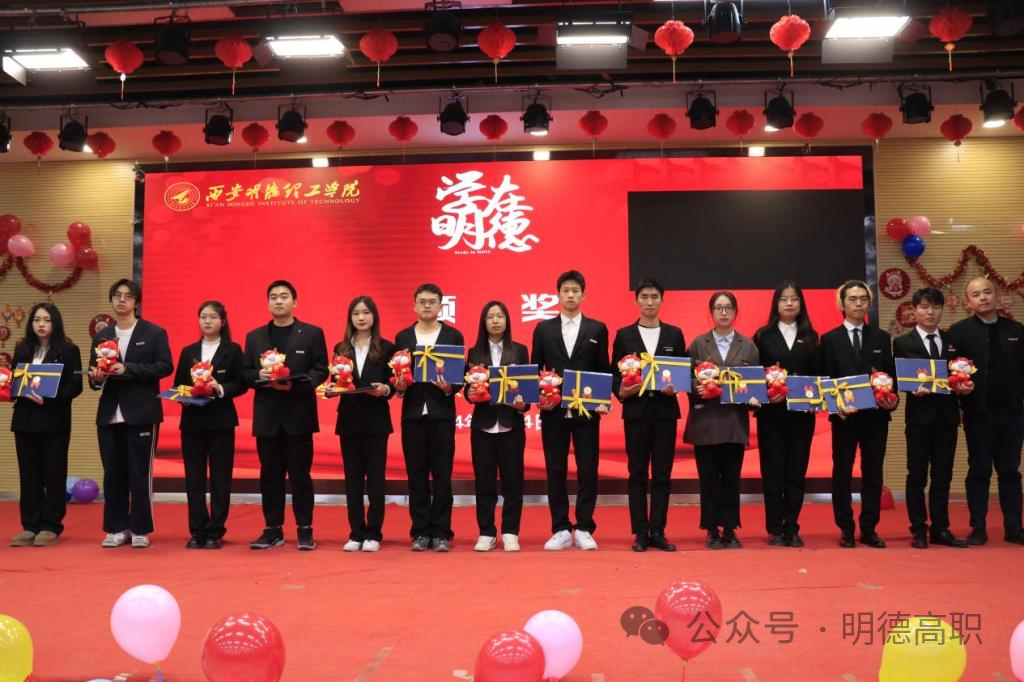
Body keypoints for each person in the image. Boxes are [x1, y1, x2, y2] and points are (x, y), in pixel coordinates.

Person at [242, 280, 329, 551]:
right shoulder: (254, 337)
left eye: (284, 296)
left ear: (295, 302)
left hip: (299, 415)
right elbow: (245, 372)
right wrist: (258, 375)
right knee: (270, 475)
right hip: (267, 417)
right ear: (268, 303)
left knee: (300, 475)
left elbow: (321, 369)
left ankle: (305, 529)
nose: (278, 301)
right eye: (273, 297)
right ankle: (273, 528)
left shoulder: (312, 333)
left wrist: (297, 385)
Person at [89, 279, 173, 549]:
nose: (122, 300)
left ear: (136, 302)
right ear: (112, 300)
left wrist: (129, 369)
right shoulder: (102, 336)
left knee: (139, 473)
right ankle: (116, 528)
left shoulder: (154, 333)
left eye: (127, 296)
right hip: (109, 413)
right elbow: (93, 378)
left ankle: (140, 528)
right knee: (112, 473)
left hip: (142, 412)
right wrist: (97, 378)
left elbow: (165, 366)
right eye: (117, 295)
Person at [531, 270, 611, 551]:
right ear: (558, 295)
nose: (570, 295)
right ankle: (561, 528)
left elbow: (603, 369)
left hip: (586, 412)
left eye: (575, 290)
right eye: (566, 290)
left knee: (588, 468)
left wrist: (603, 400)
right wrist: (540, 398)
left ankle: (585, 526)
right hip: (553, 411)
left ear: (583, 295)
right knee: (555, 469)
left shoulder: (597, 329)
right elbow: (535, 370)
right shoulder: (543, 329)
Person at [819, 279, 898, 549]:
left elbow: (890, 377)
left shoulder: (881, 338)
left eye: (863, 299)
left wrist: (891, 400)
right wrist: (836, 404)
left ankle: (869, 528)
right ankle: (846, 528)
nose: (858, 303)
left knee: (873, 473)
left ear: (869, 303)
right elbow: (825, 380)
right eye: (852, 299)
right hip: (844, 418)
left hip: (875, 418)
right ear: (842, 304)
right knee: (842, 472)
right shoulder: (829, 339)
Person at [945, 276, 1024, 546]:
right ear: (968, 302)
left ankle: (1014, 527)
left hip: (1013, 415)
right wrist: (958, 388)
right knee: (979, 470)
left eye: (987, 292)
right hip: (978, 414)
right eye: (976, 294)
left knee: (1010, 471)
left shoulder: (1016, 330)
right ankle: (978, 527)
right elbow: (949, 372)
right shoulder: (959, 332)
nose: (983, 298)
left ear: (996, 295)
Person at [611, 278, 686, 552]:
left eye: (655, 297)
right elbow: (613, 373)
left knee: (663, 474)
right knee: (637, 473)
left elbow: (683, 371)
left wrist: (676, 386)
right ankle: (640, 532)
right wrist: (621, 391)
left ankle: (659, 531)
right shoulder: (624, 335)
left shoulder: (674, 334)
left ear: (662, 300)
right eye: (645, 297)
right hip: (637, 412)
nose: (650, 302)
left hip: (665, 412)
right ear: (637, 300)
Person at [684, 291, 760, 549]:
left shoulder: (748, 346)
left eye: (728, 307)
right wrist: (697, 388)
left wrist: (755, 398)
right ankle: (711, 530)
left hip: (734, 422)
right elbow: (686, 380)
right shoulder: (697, 344)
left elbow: (755, 382)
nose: (724, 312)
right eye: (719, 308)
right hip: (706, 422)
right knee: (708, 479)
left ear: (736, 312)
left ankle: (730, 528)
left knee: (731, 478)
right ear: (711, 313)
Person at [893, 287, 967, 549]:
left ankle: (940, 528)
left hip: (947, 417)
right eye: (924, 307)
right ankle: (918, 529)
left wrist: (963, 384)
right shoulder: (903, 343)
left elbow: (960, 374)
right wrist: (911, 387)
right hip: (919, 419)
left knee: (943, 475)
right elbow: (899, 379)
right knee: (916, 475)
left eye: (935, 307)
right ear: (914, 310)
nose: (930, 312)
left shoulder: (952, 340)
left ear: (941, 310)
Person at [393, 283, 464, 552]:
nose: (426, 306)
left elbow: (460, 377)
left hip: (442, 414)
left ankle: (442, 532)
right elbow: (397, 376)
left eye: (432, 302)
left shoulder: (452, 336)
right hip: (412, 415)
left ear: (440, 306)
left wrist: (449, 388)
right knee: (417, 475)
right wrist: (399, 387)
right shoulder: (403, 337)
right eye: (422, 301)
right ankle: (420, 532)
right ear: (414, 305)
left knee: (443, 475)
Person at [172, 301, 247, 549]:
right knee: (193, 478)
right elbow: (178, 384)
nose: (207, 321)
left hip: (221, 421)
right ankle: (197, 530)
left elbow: (241, 383)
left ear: (222, 322)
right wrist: (185, 395)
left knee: (220, 478)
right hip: (192, 422)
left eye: (213, 317)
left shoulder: (233, 350)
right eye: (203, 316)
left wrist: (219, 388)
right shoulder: (188, 351)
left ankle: (215, 530)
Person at [9, 303, 82, 547]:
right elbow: (15, 382)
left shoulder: (69, 350)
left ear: (55, 323)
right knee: (29, 475)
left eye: (47, 320)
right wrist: (13, 389)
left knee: (53, 473)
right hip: (25, 421)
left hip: (54, 421)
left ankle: (51, 525)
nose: (41, 324)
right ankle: (30, 525)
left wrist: (50, 397)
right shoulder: (22, 349)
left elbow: (75, 387)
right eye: (37, 319)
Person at [753, 281, 819, 548]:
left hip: (802, 416)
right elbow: (755, 375)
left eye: (794, 299)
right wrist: (765, 395)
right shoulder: (763, 336)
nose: (789, 303)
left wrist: (815, 397)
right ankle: (775, 528)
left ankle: (792, 526)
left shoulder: (811, 336)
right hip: (771, 415)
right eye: (784, 299)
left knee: (796, 472)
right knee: (773, 472)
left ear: (801, 303)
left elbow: (818, 376)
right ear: (776, 304)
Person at [466, 301, 529, 552]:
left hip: (511, 425)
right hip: (482, 426)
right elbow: (467, 390)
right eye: (490, 316)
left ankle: (511, 532)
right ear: (484, 322)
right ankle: (486, 532)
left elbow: (528, 390)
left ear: (507, 321)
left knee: (513, 482)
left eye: (500, 316)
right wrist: (471, 393)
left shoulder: (520, 350)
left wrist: (522, 405)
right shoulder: (474, 353)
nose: (495, 321)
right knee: (484, 483)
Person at [333, 296, 395, 553]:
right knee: (353, 479)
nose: (361, 317)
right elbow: (336, 381)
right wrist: (333, 388)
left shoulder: (387, 348)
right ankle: (356, 532)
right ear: (350, 318)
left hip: (376, 420)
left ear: (374, 317)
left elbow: (393, 384)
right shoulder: (341, 348)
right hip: (348, 420)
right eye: (356, 313)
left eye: (366, 312)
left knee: (376, 479)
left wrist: (385, 389)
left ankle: (374, 533)